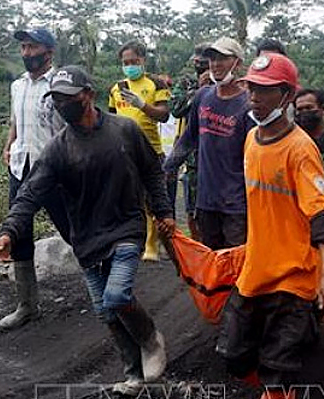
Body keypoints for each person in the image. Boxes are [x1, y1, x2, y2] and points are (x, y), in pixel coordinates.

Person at [0, 66, 175, 395]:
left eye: (68, 99)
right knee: (105, 310)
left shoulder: (125, 130)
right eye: (57, 101)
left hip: (126, 226)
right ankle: (133, 374)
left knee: (117, 295)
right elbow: (29, 194)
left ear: (88, 95)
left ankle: (150, 339)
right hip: (86, 237)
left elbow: (152, 172)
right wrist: (10, 231)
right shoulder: (58, 149)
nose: (62, 106)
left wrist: (163, 211)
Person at [222, 52, 324, 399]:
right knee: (236, 356)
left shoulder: (301, 149)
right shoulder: (251, 140)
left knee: (278, 361)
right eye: (251, 88)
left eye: (264, 89)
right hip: (255, 270)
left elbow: (321, 213)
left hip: (293, 275)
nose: (253, 96)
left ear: (287, 94)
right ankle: (276, 396)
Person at [0, 28, 72, 330]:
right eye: (24, 47)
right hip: (20, 167)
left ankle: (108, 288)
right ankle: (27, 305)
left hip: (53, 169)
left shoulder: (60, 85)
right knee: (20, 234)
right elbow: (16, 119)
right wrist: (8, 145)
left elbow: (72, 127)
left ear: (49, 52)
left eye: (33, 47)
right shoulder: (18, 86)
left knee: (72, 229)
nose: (27, 52)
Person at [164, 37, 253, 250]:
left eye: (222, 58)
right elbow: (189, 137)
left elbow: (254, 157)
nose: (215, 64)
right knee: (211, 258)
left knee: (235, 261)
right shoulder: (203, 96)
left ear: (237, 63)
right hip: (206, 199)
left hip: (236, 203)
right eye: (212, 58)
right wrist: (168, 166)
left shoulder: (248, 105)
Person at [108, 41, 172, 262]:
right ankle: (132, 241)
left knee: (153, 200)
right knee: (127, 199)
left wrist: (142, 105)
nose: (130, 66)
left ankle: (153, 244)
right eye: (125, 63)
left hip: (151, 150)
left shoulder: (156, 83)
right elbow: (111, 118)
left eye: (134, 62)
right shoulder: (116, 88)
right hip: (122, 151)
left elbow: (164, 115)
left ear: (143, 60)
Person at [168, 45, 211, 239]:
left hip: (219, 158)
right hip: (194, 157)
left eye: (204, 61)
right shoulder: (186, 83)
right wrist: (200, 90)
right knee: (192, 211)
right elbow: (176, 109)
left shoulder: (226, 84)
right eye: (197, 61)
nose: (200, 65)